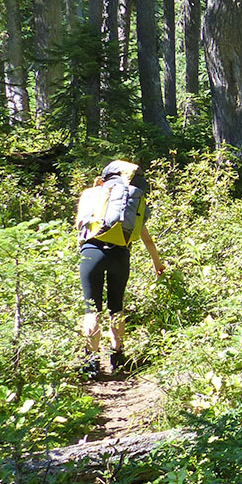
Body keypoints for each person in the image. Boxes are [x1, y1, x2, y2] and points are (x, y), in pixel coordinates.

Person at [75, 160, 165, 376]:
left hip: (92, 253)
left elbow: (79, 224)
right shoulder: (130, 200)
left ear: (104, 177)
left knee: (91, 310)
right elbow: (146, 239)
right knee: (116, 307)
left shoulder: (89, 194)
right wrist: (157, 264)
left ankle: (91, 363)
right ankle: (118, 357)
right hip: (120, 254)